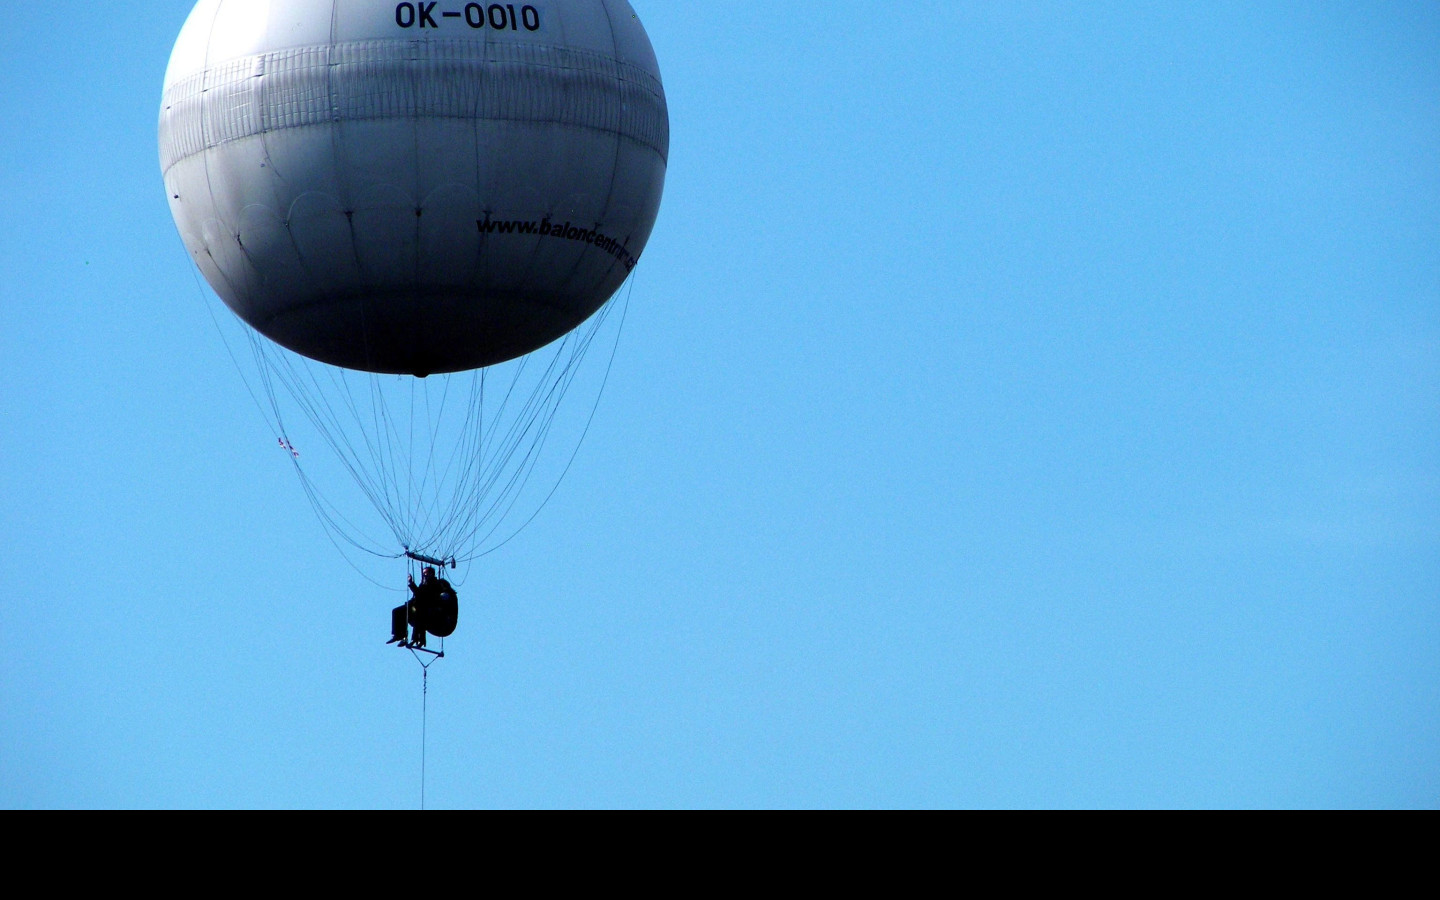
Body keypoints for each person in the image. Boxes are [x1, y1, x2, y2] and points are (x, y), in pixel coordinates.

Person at [389, 566, 459, 647]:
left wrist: (412, 584)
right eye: (423, 574)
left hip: (431, 613)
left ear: (431, 574)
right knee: (397, 611)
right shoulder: (423, 584)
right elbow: (418, 595)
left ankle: (416, 639)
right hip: (421, 608)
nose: (424, 575)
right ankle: (399, 635)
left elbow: (422, 595)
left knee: (419, 614)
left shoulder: (435, 584)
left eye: (426, 573)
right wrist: (411, 583)